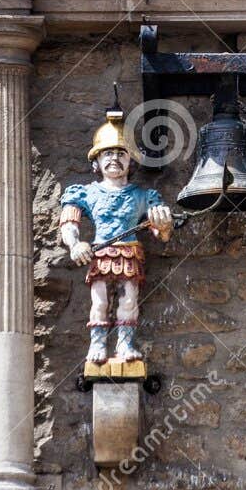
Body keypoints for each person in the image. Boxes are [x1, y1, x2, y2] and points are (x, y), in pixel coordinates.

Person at [60, 107, 172, 365]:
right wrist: (75, 244)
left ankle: (124, 344)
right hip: (100, 253)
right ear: (96, 162)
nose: (114, 159)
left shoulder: (144, 196)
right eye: (107, 153)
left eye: (121, 154)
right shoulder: (84, 193)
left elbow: (159, 233)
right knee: (99, 301)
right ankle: (98, 344)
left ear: (130, 161)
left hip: (130, 252)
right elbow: (69, 222)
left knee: (129, 300)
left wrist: (163, 225)